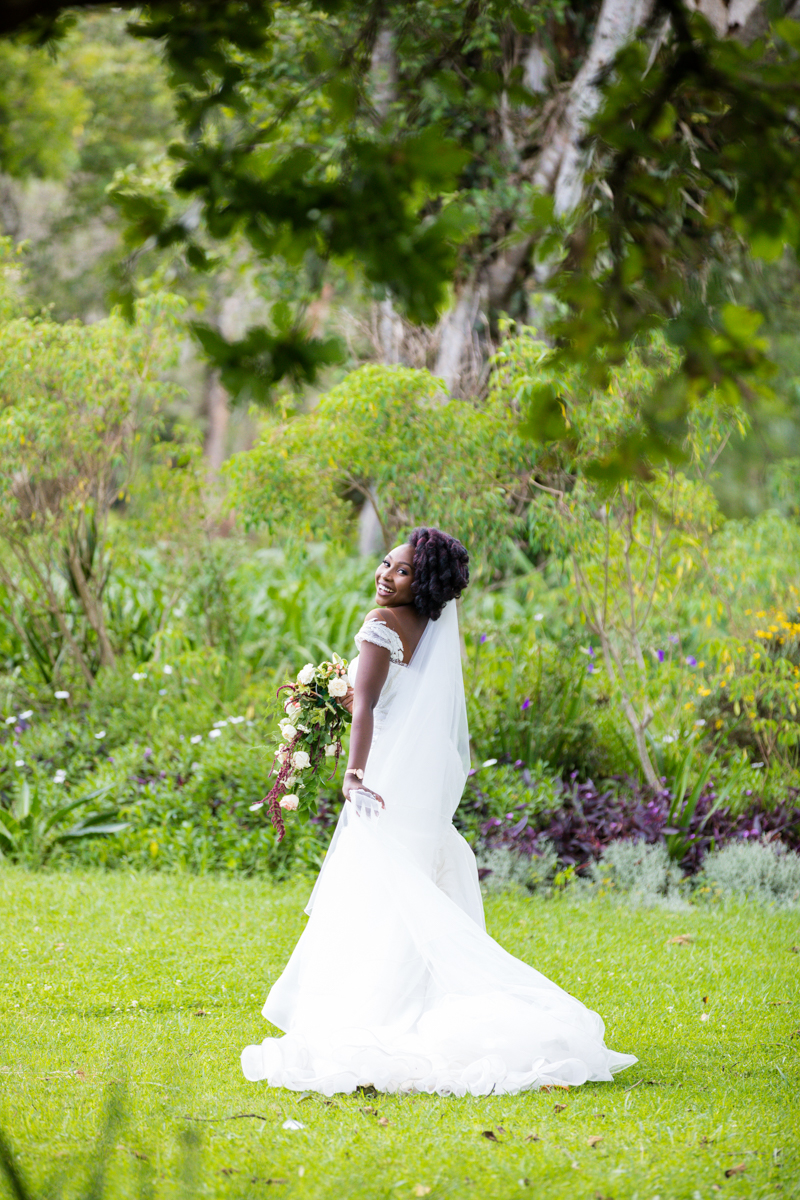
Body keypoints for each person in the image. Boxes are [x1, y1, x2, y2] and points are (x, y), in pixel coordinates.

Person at [241, 526, 636, 1095]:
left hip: (381, 777)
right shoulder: (429, 629)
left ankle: (372, 1013)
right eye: (384, 563)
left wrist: (352, 773)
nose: (385, 574)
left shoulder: (380, 627)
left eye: (401, 570)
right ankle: (407, 997)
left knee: (376, 888)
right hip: (412, 780)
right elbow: (392, 702)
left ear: (420, 582)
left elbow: (369, 708)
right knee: (397, 885)